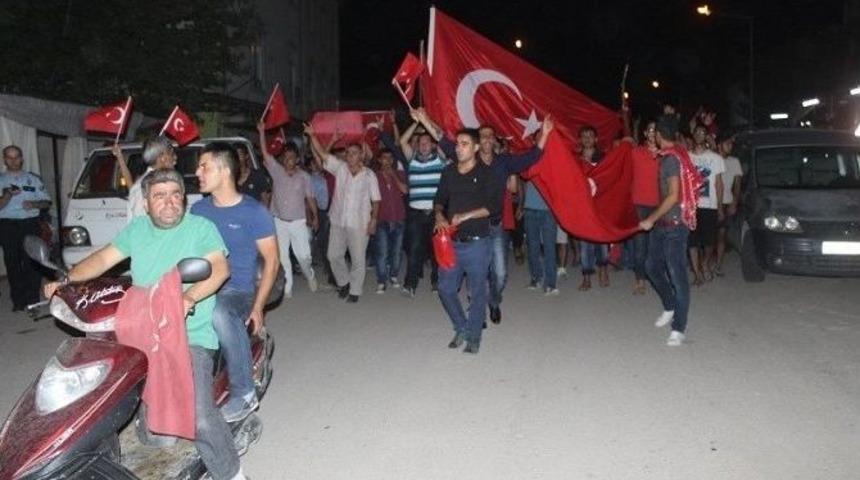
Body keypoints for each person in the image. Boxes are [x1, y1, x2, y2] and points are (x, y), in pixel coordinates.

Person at [43, 169, 246, 479]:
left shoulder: (200, 228)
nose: (169, 202)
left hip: (188, 336)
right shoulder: (136, 230)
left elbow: (219, 269)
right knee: (97, 397)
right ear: (147, 204)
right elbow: (103, 259)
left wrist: (188, 297)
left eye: (175, 195)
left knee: (200, 418)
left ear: (184, 199)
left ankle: (233, 473)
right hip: (140, 331)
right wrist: (66, 281)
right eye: (159, 196)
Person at [417, 108, 553, 324]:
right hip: (470, 228)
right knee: (475, 273)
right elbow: (442, 139)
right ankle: (476, 308)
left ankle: (494, 301)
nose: (487, 139)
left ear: (494, 140)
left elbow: (532, 157)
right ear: (477, 143)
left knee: (499, 273)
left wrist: (544, 133)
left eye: (490, 135)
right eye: (483, 136)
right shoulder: (466, 157)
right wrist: (425, 119)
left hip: (494, 226)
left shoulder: (504, 162)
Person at [191, 142, 279, 423]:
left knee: (220, 313)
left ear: (224, 170)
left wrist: (258, 306)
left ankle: (244, 392)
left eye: (204, 167)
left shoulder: (254, 212)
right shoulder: (198, 210)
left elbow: (272, 261)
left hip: (237, 290)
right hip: (202, 286)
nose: (197, 172)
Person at [434, 128, 498, 354]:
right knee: (445, 288)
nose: (459, 148)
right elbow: (439, 199)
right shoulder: (449, 172)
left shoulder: (487, 173)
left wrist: (465, 216)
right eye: (458, 144)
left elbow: (493, 207)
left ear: (476, 147)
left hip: (478, 243)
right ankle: (461, 326)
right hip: (452, 242)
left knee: (478, 292)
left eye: (464, 144)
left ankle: (474, 335)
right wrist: (439, 215)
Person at [305, 123, 381, 303]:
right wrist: (312, 135)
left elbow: (376, 200)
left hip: (359, 223)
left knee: (358, 259)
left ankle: (355, 290)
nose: (350, 156)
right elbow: (323, 155)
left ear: (361, 155)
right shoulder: (340, 168)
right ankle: (344, 282)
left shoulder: (369, 175)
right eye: (348, 153)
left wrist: (373, 220)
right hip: (338, 221)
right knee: (333, 255)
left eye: (354, 153)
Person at [639, 116, 695, 347]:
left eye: (655, 133)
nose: (652, 136)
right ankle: (670, 306)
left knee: (677, 275)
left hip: (674, 226)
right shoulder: (675, 153)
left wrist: (650, 219)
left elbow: (673, 196)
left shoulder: (671, 159)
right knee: (651, 266)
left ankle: (679, 327)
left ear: (660, 135)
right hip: (663, 224)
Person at [257, 122, 319, 297]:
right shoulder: (276, 171)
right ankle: (288, 286)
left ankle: (310, 274)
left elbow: (310, 198)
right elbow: (265, 153)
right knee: (283, 256)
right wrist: (261, 132)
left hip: (298, 222)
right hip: (279, 221)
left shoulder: (304, 177)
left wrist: (315, 216)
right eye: (285, 157)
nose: (288, 160)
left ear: (297, 159)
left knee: (303, 256)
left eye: (291, 157)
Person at [398, 112, 448, 297]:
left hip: (436, 213)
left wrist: (427, 121)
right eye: (421, 142)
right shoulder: (412, 160)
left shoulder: (441, 160)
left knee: (437, 250)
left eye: (427, 142)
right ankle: (410, 284)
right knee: (414, 249)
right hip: (416, 214)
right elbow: (402, 141)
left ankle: (436, 281)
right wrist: (416, 122)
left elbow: (442, 137)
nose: (424, 145)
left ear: (433, 145)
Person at [0, 145, 52, 311]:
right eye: (9, 157)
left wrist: (34, 204)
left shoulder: (33, 179)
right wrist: (7, 196)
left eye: (16, 157)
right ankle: (18, 301)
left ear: (21, 158)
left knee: (32, 262)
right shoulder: (1, 180)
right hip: (7, 225)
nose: (13, 160)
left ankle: (32, 300)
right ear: (4, 159)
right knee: (12, 263)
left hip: (29, 224)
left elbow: (47, 202)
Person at [689, 124, 725, 284]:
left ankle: (704, 263)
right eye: (696, 132)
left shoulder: (716, 158)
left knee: (709, 241)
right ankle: (697, 273)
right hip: (692, 206)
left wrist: (720, 207)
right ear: (693, 134)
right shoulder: (687, 157)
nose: (699, 135)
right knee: (692, 241)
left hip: (709, 205)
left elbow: (719, 184)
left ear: (706, 136)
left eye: (702, 132)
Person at [576, 125, 610, 291]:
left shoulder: (603, 158)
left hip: (600, 206)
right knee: (584, 242)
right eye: (584, 136)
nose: (587, 139)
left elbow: (609, 179)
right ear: (580, 140)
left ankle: (603, 270)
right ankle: (586, 276)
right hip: (583, 206)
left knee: (601, 240)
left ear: (596, 139)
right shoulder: (575, 159)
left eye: (590, 135)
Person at [630, 120, 660, 295]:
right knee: (640, 245)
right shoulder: (636, 152)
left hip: (659, 206)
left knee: (656, 246)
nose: (652, 133)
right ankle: (639, 280)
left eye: (655, 130)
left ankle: (656, 278)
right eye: (649, 130)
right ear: (645, 133)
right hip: (639, 205)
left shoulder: (665, 154)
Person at [373, 148, 407, 293]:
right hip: (382, 219)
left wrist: (394, 175)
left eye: (390, 158)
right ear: (379, 160)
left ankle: (393, 275)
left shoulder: (399, 174)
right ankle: (381, 280)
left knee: (397, 251)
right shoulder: (374, 176)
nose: (387, 161)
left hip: (398, 218)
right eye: (384, 158)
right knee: (382, 251)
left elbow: (405, 190)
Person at [127, 136, 177, 221]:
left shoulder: (159, 181)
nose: (175, 158)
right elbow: (141, 221)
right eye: (172, 154)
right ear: (162, 158)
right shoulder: (145, 185)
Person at [523, 178, 559, 295]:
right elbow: (522, 182)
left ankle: (550, 284)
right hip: (530, 208)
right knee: (532, 247)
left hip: (549, 209)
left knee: (549, 248)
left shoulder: (552, 166)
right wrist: (522, 204)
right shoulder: (527, 165)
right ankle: (536, 278)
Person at [716, 134, 742, 275]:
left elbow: (737, 185)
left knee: (722, 234)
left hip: (726, 201)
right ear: (719, 145)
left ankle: (718, 264)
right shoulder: (713, 159)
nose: (730, 147)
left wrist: (734, 202)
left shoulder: (734, 161)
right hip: (712, 202)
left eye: (731, 144)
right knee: (709, 236)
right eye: (727, 144)